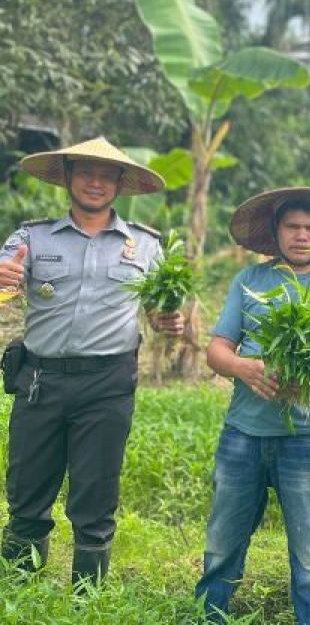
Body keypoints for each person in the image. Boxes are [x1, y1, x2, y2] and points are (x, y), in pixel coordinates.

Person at [0, 137, 184, 586]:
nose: (95, 182)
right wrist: (3, 278)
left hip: (108, 383)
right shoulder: (32, 237)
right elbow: (5, 278)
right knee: (26, 490)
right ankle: (19, 590)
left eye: (106, 175)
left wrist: (168, 322)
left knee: (96, 491)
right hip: (40, 379)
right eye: (84, 171)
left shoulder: (145, 245)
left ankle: (88, 596)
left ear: (120, 184)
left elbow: (162, 311)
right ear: (66, 176)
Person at [195, 187, 310, 625]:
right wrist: (243, 367)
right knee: (222, 541)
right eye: (292, 226)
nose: (302, 235)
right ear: (276, 232)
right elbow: (216, 349)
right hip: (244, 434)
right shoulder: (250, 281)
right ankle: (206, 616)